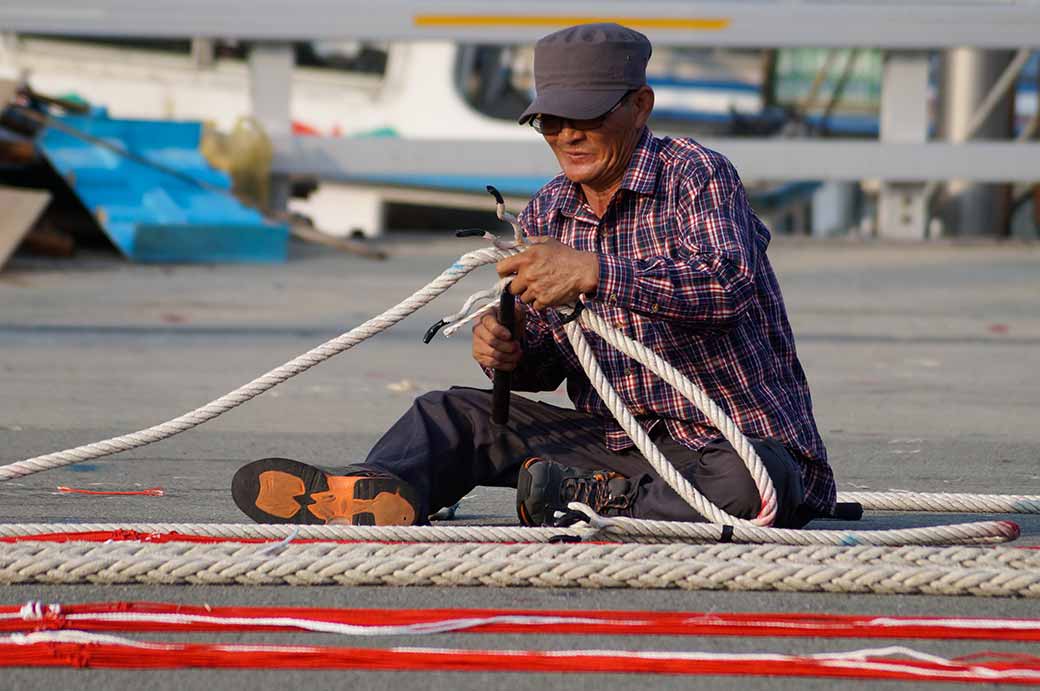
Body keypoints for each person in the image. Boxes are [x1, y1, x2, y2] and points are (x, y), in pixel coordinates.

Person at [231, 23, 836, 529]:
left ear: (640, 106)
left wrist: (594, 271)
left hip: (732, 448)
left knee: (752, 483)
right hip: (615, 445)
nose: (567, 135)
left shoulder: (697, 175)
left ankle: (593, 501)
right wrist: (510, 351)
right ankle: (376, 489)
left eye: (586, 116)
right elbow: (547, 367)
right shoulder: (549, 209)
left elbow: (725, 288)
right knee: (449, 413)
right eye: (549, 121)